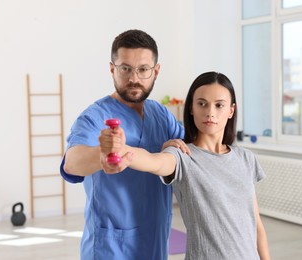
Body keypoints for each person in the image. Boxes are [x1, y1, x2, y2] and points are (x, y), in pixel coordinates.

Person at [100, 71, 271, 260]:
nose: (210, 112)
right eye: (202, 104)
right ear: (191, 108)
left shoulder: (246, 158)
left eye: (219, 105)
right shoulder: (182, 155)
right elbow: (153, 161)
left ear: (231, 110)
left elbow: (256, 225)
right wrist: (122, 149)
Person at [60, 29, 186, 260]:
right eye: (125, 68)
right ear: (112, 69)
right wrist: (102, 155)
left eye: (143, 69)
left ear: (156, 71)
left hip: (155, 244)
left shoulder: (161, 114)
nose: (134, 78)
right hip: (112, 249)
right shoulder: (94, 117)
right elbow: (72, 163)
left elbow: (188, 150)